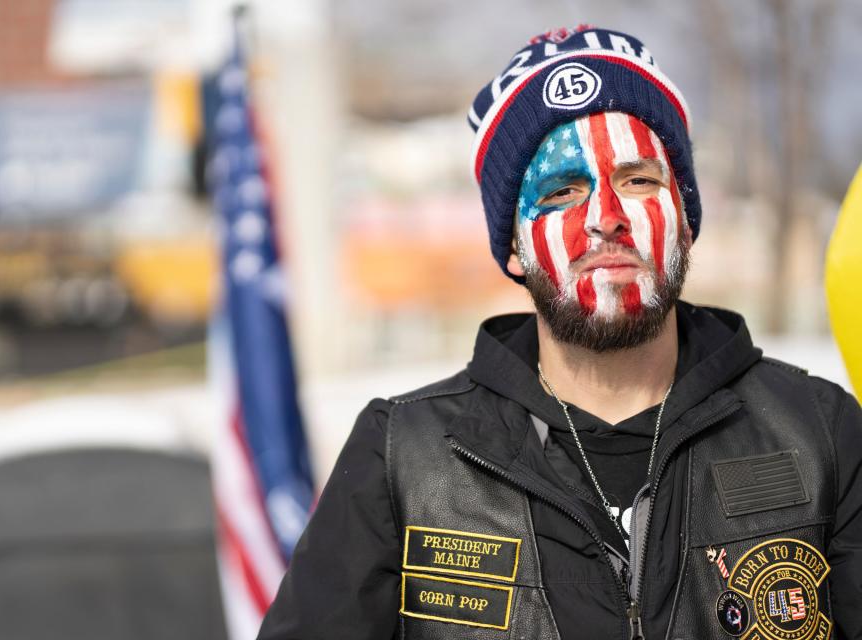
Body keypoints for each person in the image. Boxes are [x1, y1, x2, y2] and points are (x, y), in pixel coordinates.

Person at [257, 25, 862, 640]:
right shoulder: (403, 459)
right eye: (561, 190)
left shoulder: (822, 433)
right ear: (514, 248)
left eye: (638, 181)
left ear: (684, 217)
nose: (605, 219)